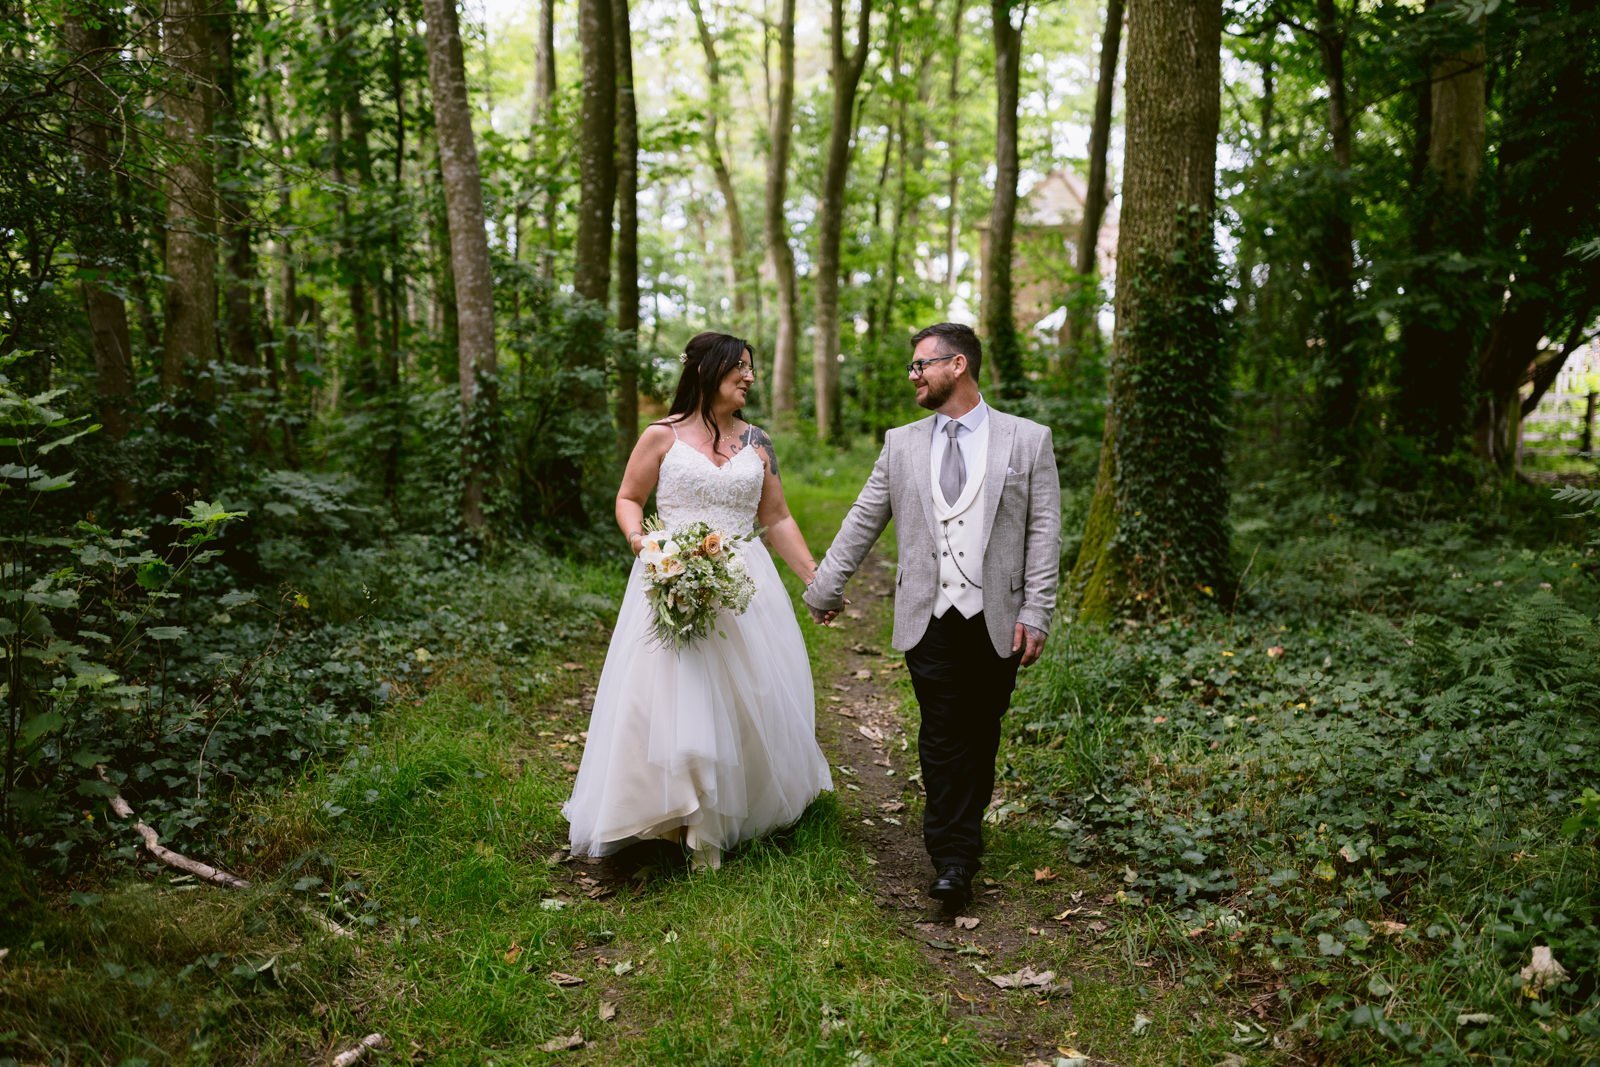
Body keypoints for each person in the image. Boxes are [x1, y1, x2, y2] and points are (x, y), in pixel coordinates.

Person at [803, 322, 1061, 912]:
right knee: (943, 731)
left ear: (959, 366)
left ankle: (960, 835)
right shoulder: (901, 443)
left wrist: (1038, 611)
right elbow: (864, 517)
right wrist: (825, 588)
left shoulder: (1027, 440)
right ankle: (953, 858)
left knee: (983, 728)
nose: (913, 375)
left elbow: (1044, 532)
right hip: (931, 612)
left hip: (999, 613)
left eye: (922, 365)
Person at [563, 332, 833, 871]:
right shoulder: (660, 436)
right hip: (672, 578)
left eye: (752, 369)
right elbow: (628, 498)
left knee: (748, 693)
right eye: (741, 368)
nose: (750, 378)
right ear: (709, 371)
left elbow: (775, 517)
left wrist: (815, 579)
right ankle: (671, 816)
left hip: (744, 587)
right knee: (671, 694)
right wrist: (643, 543)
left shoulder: (758, 442)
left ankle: (735, 811)